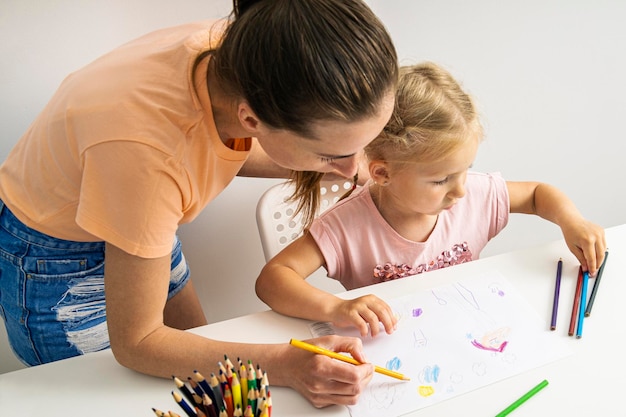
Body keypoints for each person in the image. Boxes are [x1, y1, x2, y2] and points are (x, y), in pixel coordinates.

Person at [0, 0, 398, 408]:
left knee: (208, 377)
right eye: (333, 154)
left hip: (133, 206)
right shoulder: (150, 159)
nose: (355, 169)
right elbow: (138, 342)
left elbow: (209, 148)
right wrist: (284, 364)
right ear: (251, 121)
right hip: (54, 259)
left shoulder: (254, 51)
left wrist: (324, 162)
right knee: (113, 401)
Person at [255, 62, 607, 339]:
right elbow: (273, 279)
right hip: (397, 350)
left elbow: (535, 194)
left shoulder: (471, 197)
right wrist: (335, 309)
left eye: (466, 170)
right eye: (441, 180)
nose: (460, 191)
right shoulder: (346, 225)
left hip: (470, 332)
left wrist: (571, 220)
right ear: (382, 174)